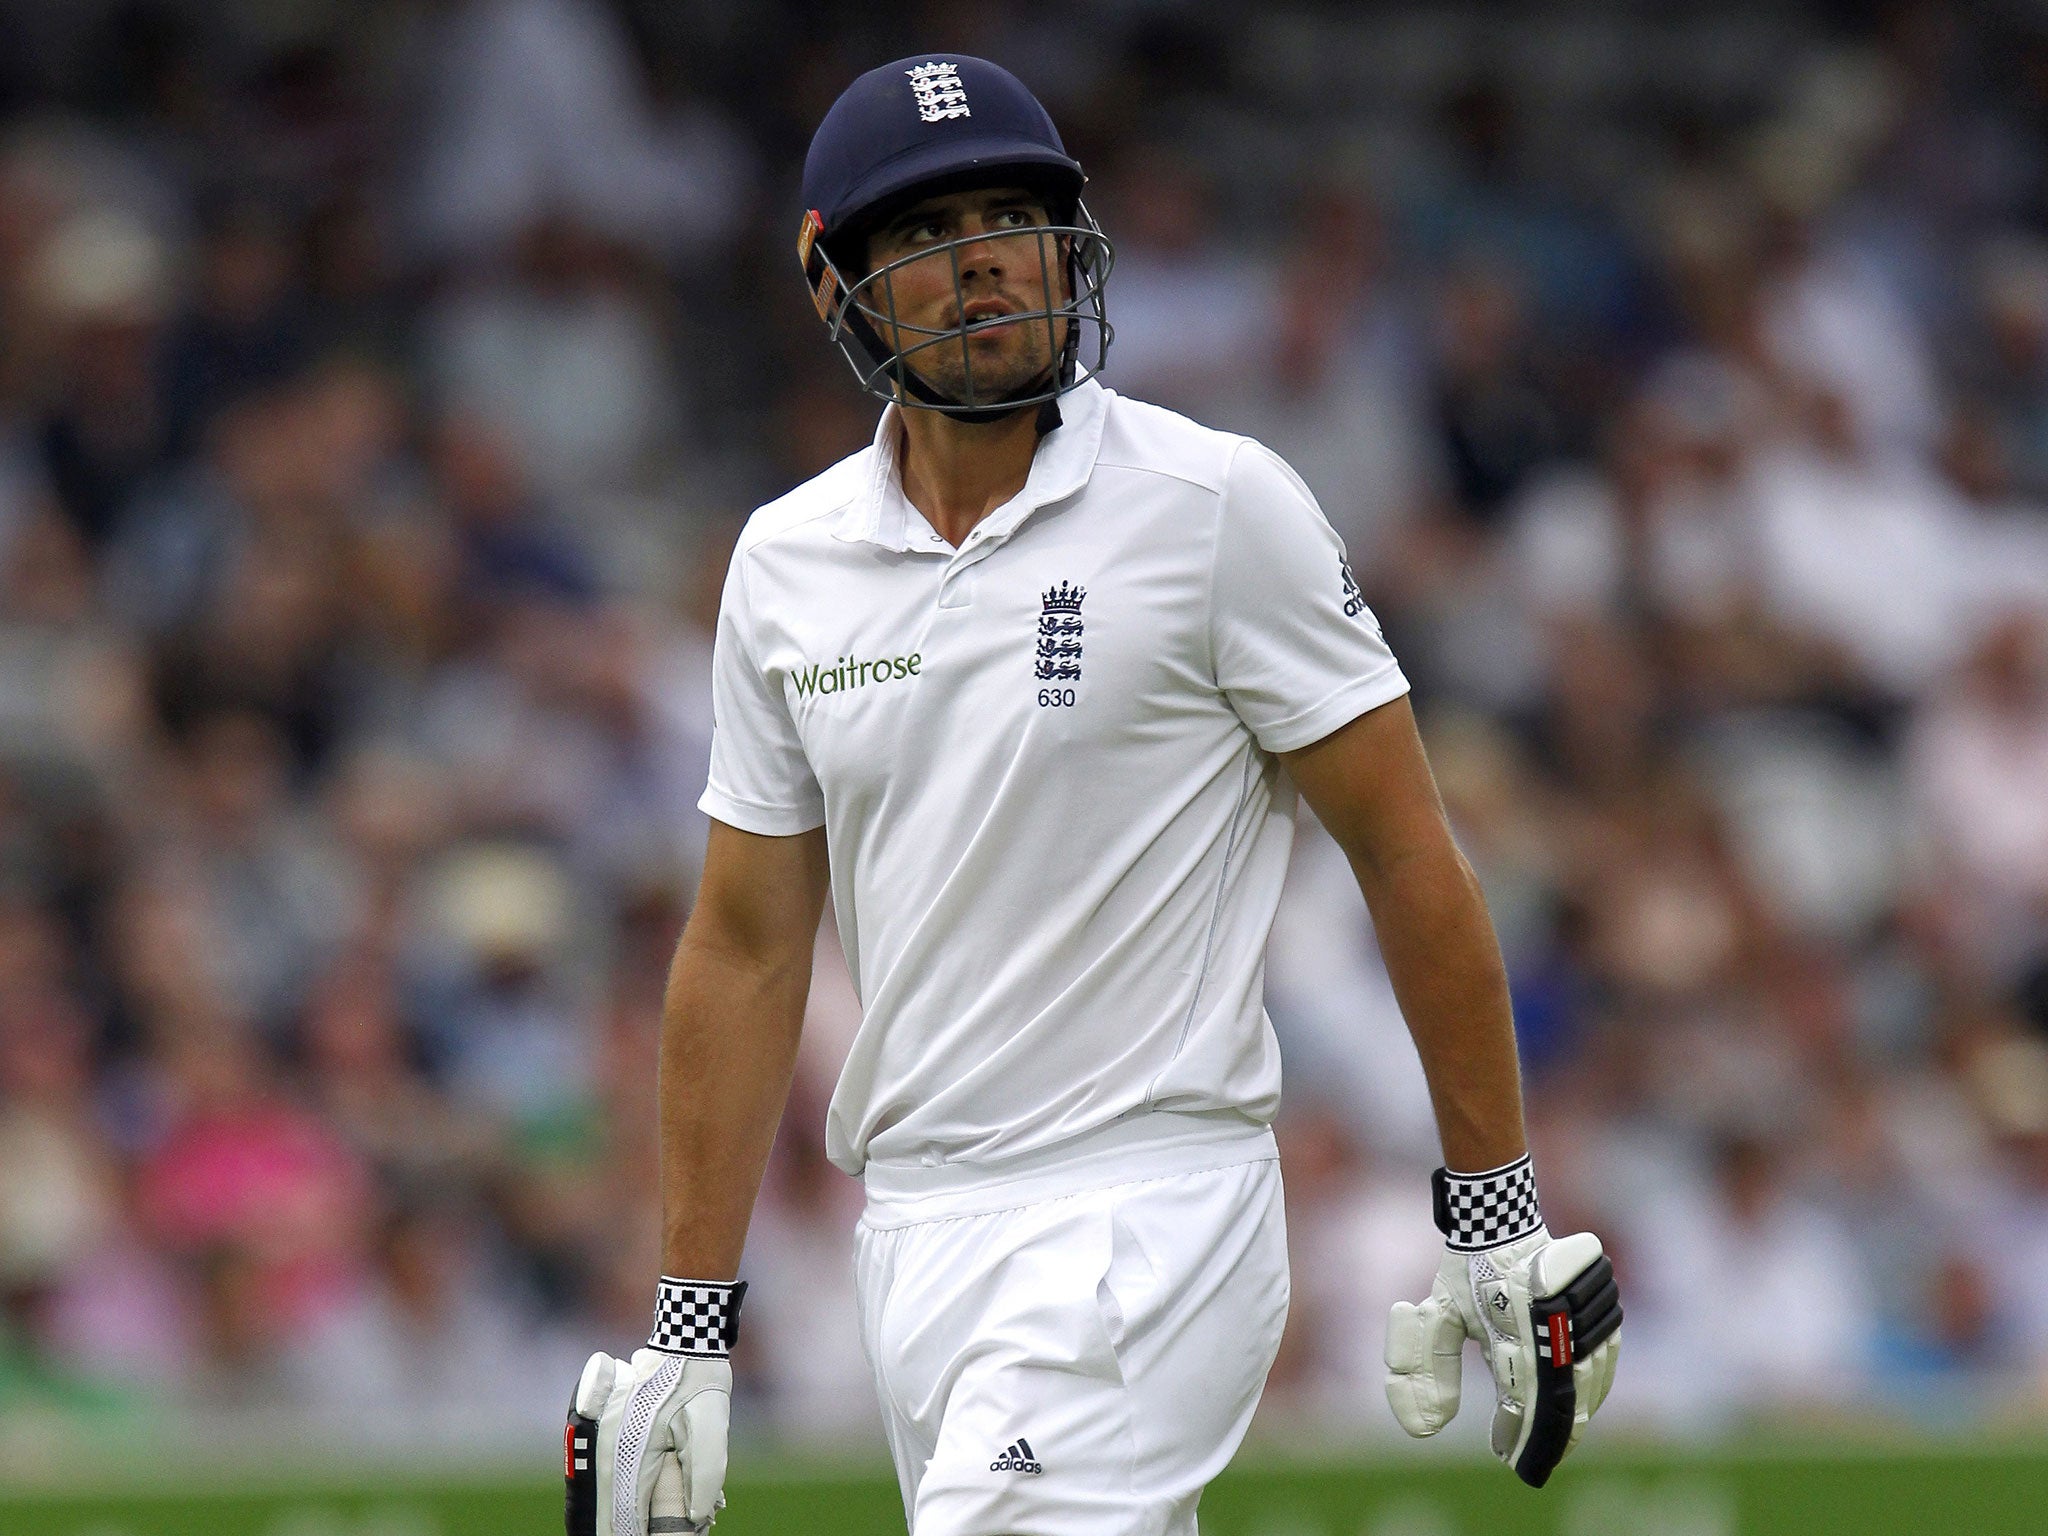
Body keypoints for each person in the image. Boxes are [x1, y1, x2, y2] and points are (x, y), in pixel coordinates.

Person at [565, 55, 1620, 1536]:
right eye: (929, 233)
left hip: (1151, 1202)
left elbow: (1404, 848)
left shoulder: (1213, 506)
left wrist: (1496, 1203)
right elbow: (744, 945)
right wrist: (688, 1317)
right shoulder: (785, 565)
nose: (988, 258)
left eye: (1015, 216)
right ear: (835, 283)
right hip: (916, 1231)